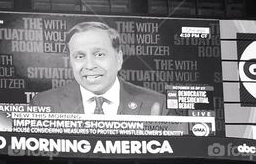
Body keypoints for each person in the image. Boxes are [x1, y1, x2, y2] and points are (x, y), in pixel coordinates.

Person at [29, 21, 166, 115]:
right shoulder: (44, 103)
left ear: (119, 59)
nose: (89, 65)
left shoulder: (157, 104)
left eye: (99, 54)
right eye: (80, 56)